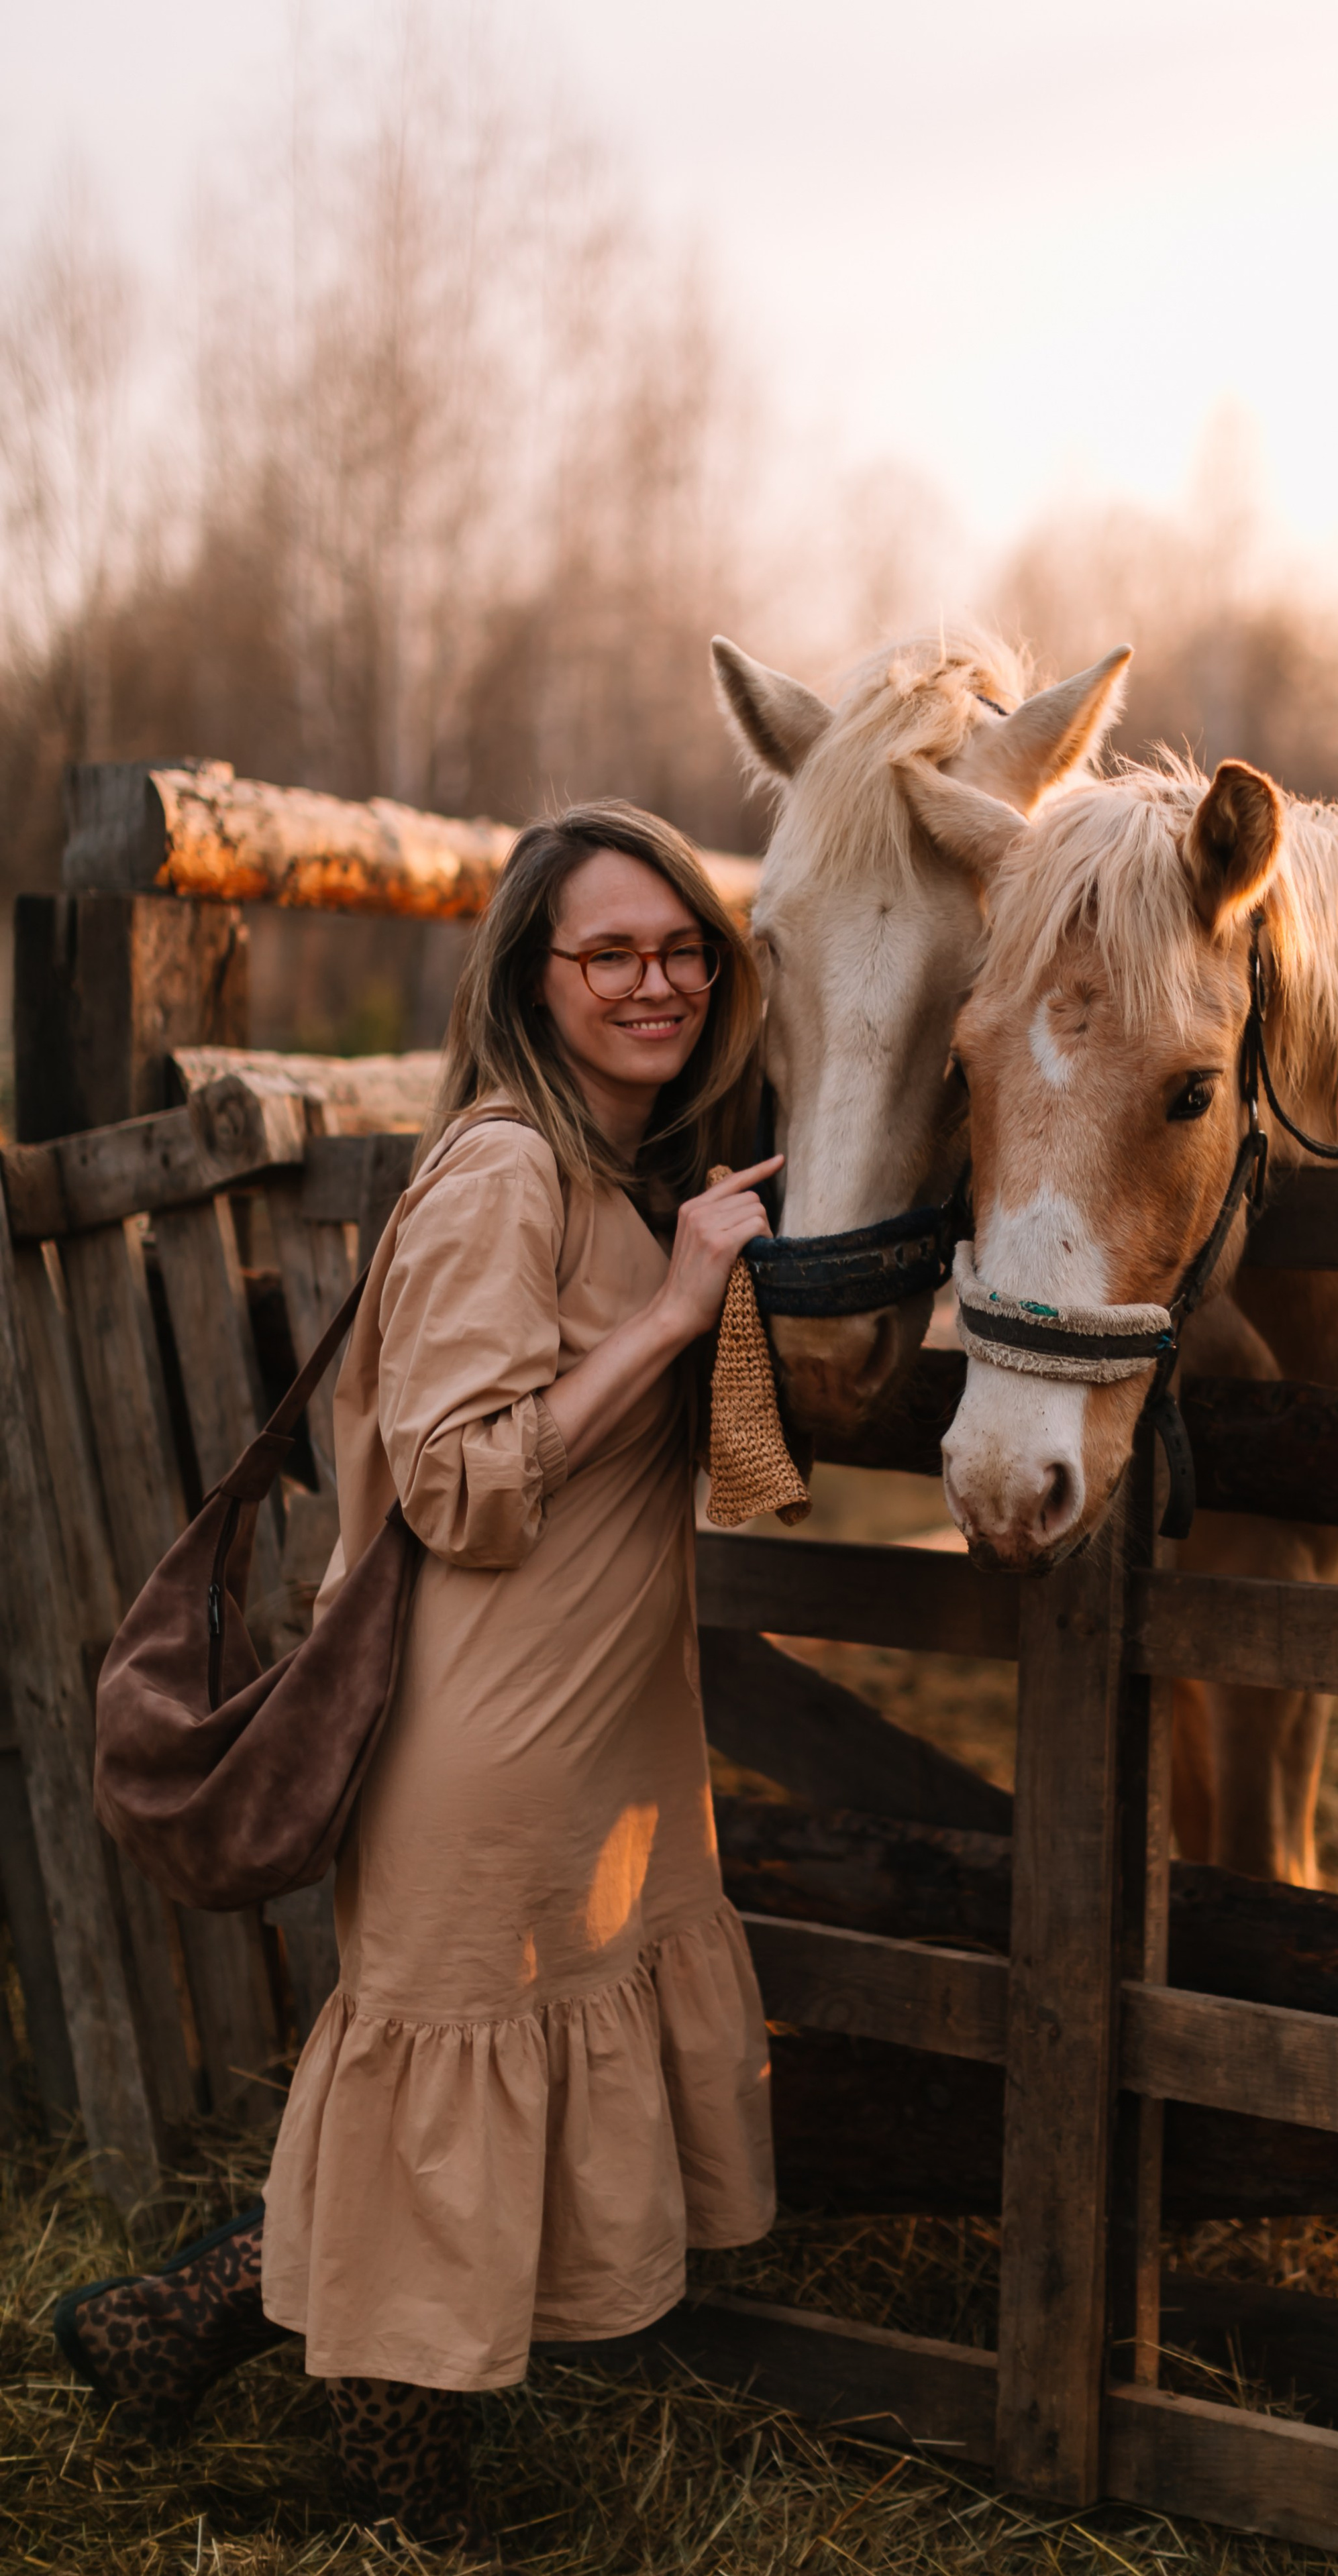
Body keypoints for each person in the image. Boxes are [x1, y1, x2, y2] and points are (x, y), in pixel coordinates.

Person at [54, 802, 781, 2556]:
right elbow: (462, 1482)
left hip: (600, 1737)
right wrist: (680, 1315)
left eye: (683, 947)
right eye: (609, 951)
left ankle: (157, 2332)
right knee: (437, 2111)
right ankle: (402, 2520)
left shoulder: (618, 1174)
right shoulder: (503, 1170)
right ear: (533, 978)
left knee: (462, 2112)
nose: (655, 980)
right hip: (490, 1731)